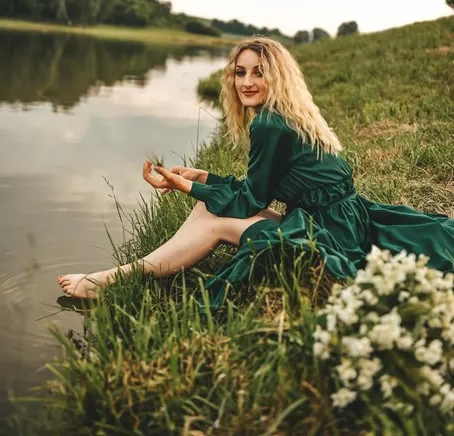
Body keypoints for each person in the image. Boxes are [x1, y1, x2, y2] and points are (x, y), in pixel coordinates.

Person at [58, 37, 453, 306]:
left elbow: (251, 199)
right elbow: (258, 187)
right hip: (342, 220)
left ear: (276, 76)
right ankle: (120, 275)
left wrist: (185, 187)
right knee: (208, 208)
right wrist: (204, 179)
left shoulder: (269, 124)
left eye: (258, 72)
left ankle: (113, 279)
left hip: (328, 234)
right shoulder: (289, 115)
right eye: (240, 72)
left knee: (211, 219)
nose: (246, 82)